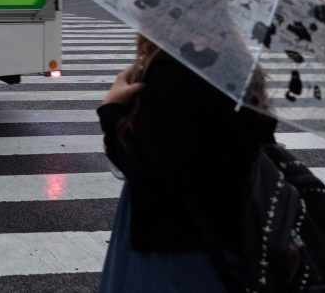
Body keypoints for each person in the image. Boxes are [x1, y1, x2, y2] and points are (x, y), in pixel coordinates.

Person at [96, 34, 275, 292]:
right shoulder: (237, 60)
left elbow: (154, 178)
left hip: (177, 251)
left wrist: (111, 113)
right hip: (228, 238)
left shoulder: (172, 72)